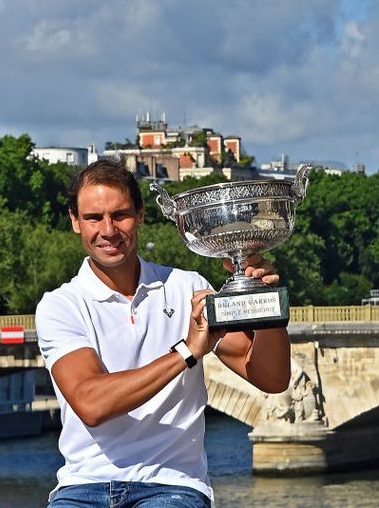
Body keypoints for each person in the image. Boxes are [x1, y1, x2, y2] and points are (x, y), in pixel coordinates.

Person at [35, 158, 292, 508]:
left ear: (141, 215)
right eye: (94, 218)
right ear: (75, 221)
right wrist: (186, 351)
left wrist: (267, 309)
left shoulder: (187, 288)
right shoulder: (60, 305)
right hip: (83, 487)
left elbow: (272, 378)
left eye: (120, 215)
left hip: (171, 485)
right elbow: (91, 404)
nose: (108, 230)